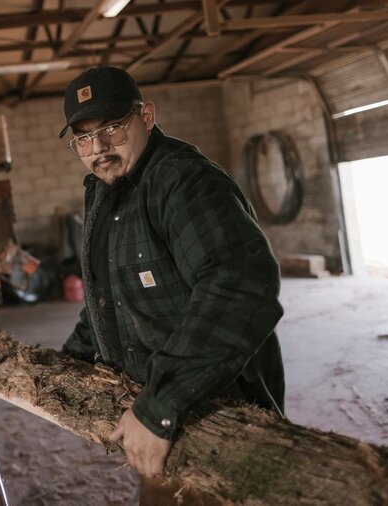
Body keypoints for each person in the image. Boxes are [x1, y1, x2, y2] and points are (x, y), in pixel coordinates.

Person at [59, 66, 286, 502]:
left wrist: (159, 406)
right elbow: (109, 298)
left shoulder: (184, 182)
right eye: (84, 138)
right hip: (162, 417)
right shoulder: (109, 190)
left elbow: (240, 287)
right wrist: (68, 363)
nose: (99, 148)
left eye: (111, 128)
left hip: (214, 417)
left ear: (146, 116)